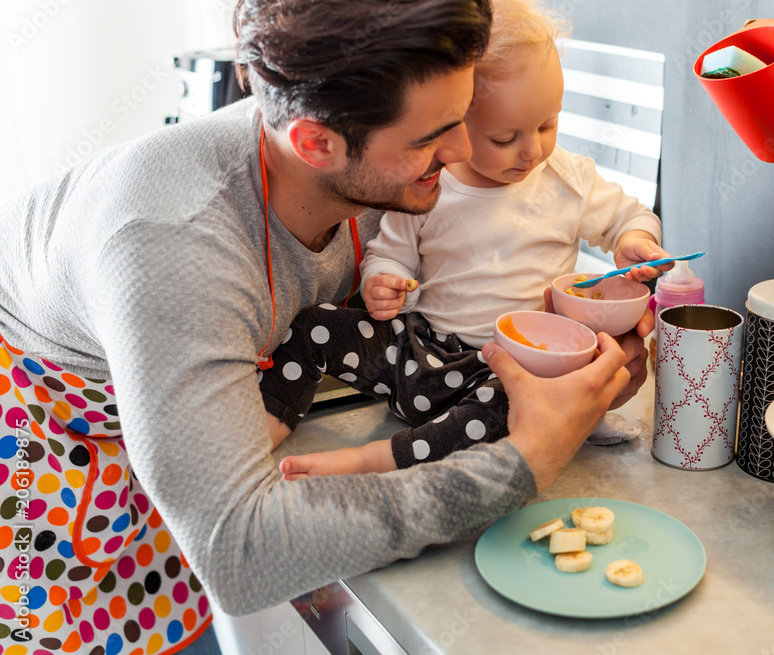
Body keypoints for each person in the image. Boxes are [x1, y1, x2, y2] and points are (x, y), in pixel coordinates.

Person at [0, 1, 648, 653]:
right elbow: (240, 553)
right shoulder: (175, 248)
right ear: (317, 142)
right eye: (435, 134)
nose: (463, 152)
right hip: (50, 438)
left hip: (167, 416)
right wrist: (524, 461)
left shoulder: (370, 166)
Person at [259, 0, 666, 478]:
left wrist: (635, 238)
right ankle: (269, 424)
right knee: (312, 327)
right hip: (418, 354)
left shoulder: (567, 178)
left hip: (512, 372)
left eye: (547, 124)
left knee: (509, 407)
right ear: (455, 121)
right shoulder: (430, 183)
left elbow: (628, 215)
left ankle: (375, 458)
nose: (532, 149)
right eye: (504, 137)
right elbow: (390, 252)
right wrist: (383, 279)